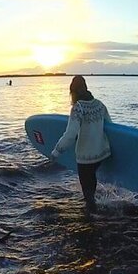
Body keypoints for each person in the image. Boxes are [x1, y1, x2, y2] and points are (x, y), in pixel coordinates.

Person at [51, 75, 111, 212]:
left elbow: (70, 135)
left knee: (88, 196)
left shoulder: (78, 108)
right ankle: (97, 212)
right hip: (101, 155)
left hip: (86, 158)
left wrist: (56, 151)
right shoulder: (100, 105)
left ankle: (91, 219)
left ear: (73, 91)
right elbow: (110, 127)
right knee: (92, 182)